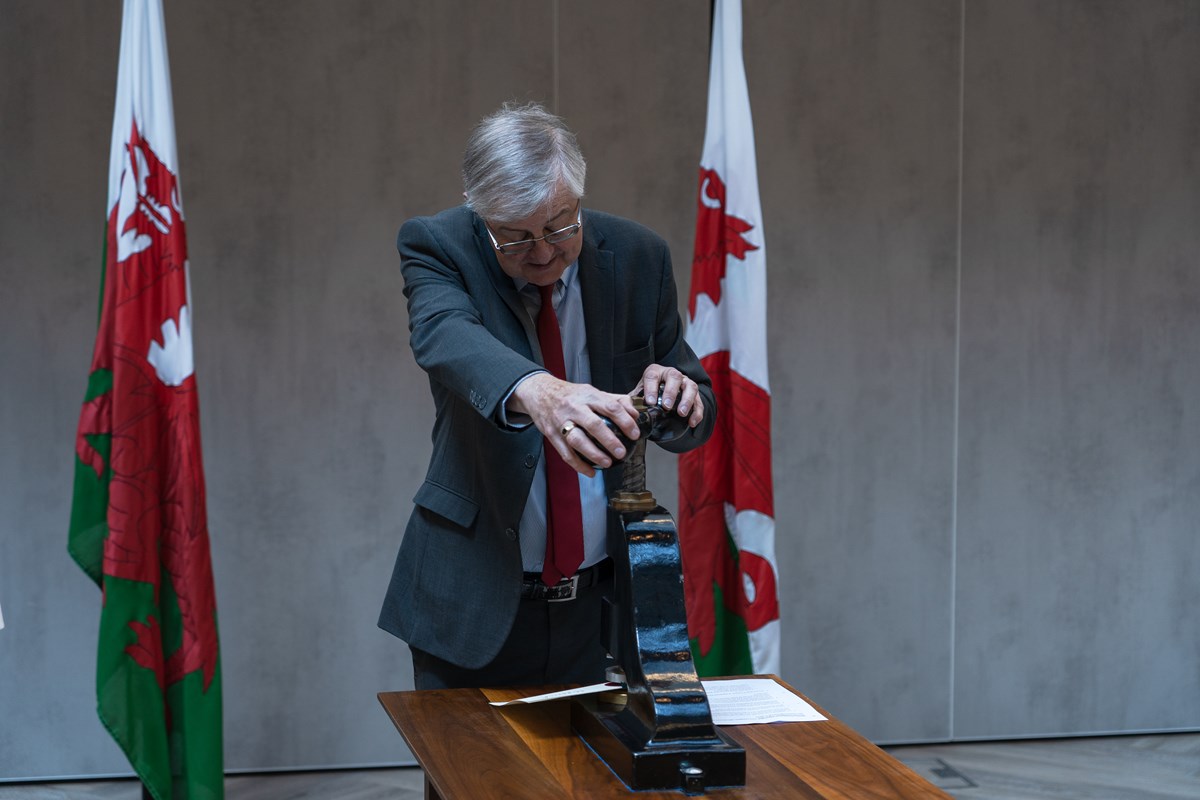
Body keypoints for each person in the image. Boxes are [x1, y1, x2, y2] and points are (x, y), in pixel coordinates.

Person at [378, 102, 716, 689]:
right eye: (515, 236)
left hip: (603, 604)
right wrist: (539, 392)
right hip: (473, 597)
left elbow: (694, 402)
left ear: (579, 198)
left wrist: (680, 397)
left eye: (561, 225)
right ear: (479, 214)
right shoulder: (439, 245)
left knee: (599, 780)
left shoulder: (639, 256)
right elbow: (444, 336)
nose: (541, 252)